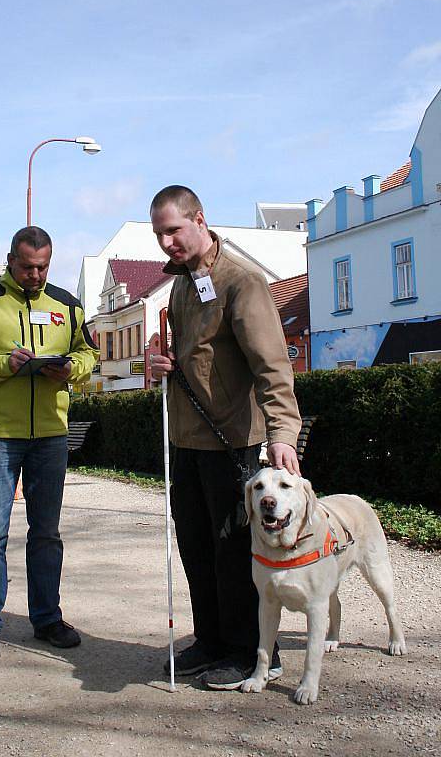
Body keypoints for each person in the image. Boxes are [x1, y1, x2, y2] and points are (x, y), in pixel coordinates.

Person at [150, 186, 302, 691]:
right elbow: (192, 359)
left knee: (233, 550)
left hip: (231, 440)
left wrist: (282, 433)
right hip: (187, 440)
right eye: (159, 234)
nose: (166, 242)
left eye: (173, 230)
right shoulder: (179, 287)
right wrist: (162, 364)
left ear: (199, 219)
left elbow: (272, 365)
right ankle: (211, 640)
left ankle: (254, 651)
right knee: (195, 545)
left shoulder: (241, 281)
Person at [0, 226, 99, 662]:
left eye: (44, 267)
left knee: (46, 533)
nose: (36, 275)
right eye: (28, 266)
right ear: (10, 259)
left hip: (50, 433)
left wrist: (71, 370)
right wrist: (3, 365)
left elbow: (89, 353)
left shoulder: (66, 304)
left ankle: (47, 618)